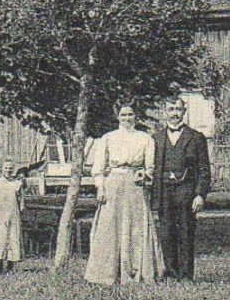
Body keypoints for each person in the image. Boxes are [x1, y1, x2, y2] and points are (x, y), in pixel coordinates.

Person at [84, 103, 164, 286]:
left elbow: (150, 167)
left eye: (130, 114)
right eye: (123, 115)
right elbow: (98, 168)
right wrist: (100, 187)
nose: (127, 118)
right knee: (109, 226)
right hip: (113, 183)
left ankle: (138, 272)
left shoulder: (145, 139)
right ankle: (105, 274)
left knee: (137, 227)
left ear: (136, 116)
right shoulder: (108, 138)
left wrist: (145, 174)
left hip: (135, 185)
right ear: (117, 116)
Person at [152, 97, 211, 281]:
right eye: (171, 109)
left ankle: (186, 274)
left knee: (186, 232)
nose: (175, 113)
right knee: (166, 232)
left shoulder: (196, 137)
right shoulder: (156, 138)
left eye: (178, 109)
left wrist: (200, 195)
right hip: (164, 192)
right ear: (165, 112)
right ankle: (170, 272)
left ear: (184, 112)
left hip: (186, 191)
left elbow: (204, 170)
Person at [0, 165, 27, 274]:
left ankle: (10, 266)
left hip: (12, 214)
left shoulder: (16, 184)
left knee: (12, 236)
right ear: (2, 170)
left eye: (10, 169)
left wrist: (20, 208)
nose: (8, 171)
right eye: (6, 168)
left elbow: (22, 199)